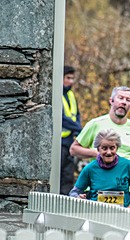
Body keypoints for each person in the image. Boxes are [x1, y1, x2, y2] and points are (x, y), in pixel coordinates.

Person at [70, 86, 130, 176]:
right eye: (120, 98)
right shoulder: (95, 124)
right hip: (98, 184)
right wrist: (97, 153)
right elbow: (74, 149)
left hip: (125, 186)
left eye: (128, 100)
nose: (124, 102)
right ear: (111, 101)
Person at [69, 128, 130, 209]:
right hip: (96, 216)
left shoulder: (127, 165)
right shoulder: (90, 168)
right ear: (98, 149)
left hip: (122, 217)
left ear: (117, 148)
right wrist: (78, 198)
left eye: (112, 148)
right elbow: (74, 193)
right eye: (104, 148)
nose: (108, 152)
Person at [60, 65, 82, 195]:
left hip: (69, 141)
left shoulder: (71, 95)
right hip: (58, 142)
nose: (71, 81)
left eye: (73, 78)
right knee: (59, 175)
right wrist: (79, 128)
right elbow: (60, 118)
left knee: (68, 176)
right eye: (68, 78)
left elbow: (76, 114)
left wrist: (79, 130)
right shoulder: (56, 94)